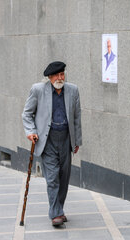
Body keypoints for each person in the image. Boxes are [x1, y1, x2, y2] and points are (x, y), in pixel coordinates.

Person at [22, 61, 82, 226]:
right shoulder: (38, 90)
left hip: (66, 139)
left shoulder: (73, 90)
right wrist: (31, 131)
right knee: (53, 178)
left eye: (62, 74)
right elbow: (27, 113)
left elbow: (77, 117)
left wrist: (77, 141)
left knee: (64, 178)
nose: (60, 78)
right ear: (49, 77)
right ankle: (55, 213)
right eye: (56, 75)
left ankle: (59, 209)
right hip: (47, 140)